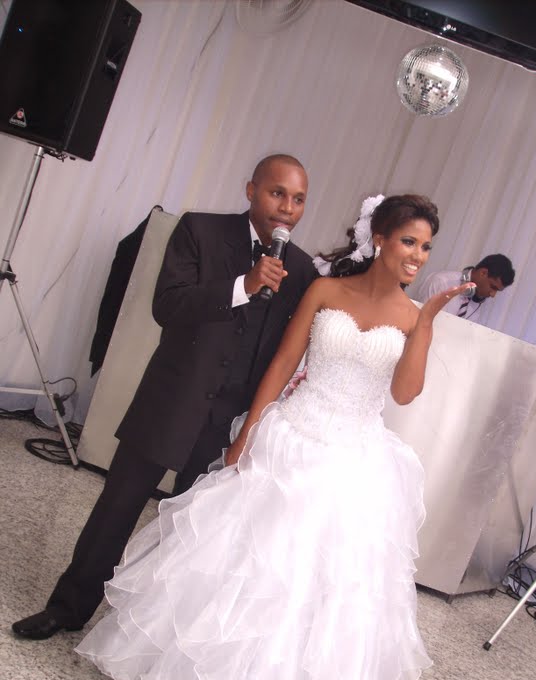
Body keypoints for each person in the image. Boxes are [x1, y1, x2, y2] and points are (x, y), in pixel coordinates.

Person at [73, 193, 473, 680]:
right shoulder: (326, 290)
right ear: (380, 240)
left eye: (427, 247)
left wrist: (429, 321)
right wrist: (248, 433)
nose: (419, 255)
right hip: (292, 435)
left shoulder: (414, 316)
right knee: (250, 566)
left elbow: (405, 393)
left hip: (354, 461)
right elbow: (283, 363)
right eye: (410, 241)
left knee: (322, 590)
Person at [12, 153, 315, 640]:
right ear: (251, 190)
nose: (287, 208)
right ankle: (67, 608)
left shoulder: (302, 270)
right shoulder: (199, 230)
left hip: (228, 421)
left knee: (188, 529)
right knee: (117, 509)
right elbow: (167, 305)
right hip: (171, 401)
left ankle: (140, 632)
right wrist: (244, 285)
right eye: (277, 193)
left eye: (298, 199)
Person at [411, 253, 515, 320]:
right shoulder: (441, 282)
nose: (492, 294)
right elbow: (419, 319)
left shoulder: (477, 301)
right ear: (483, 273)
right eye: (493, 287)